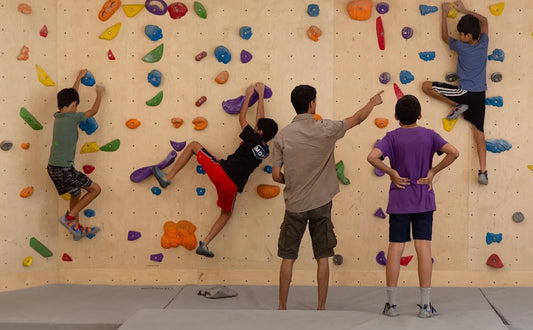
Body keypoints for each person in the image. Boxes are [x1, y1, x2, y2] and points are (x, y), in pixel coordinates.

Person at [271, 85, 383, 310]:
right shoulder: (327, 129)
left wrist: (292, 181)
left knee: (288, 256)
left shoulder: (282, 136)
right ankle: (321, 307)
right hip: (322, 203)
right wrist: (372, 102)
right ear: (312, 104)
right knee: (322, 256)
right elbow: (358, 118)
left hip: (294, 205)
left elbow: (276, 175)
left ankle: (282, 307)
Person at [152, 83, 278, 258]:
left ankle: (168, 177)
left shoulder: (252, 137)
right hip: (231, 187)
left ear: (260, 131)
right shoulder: (265, 151)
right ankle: (205, 243)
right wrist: (262, 94)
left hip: (221, 172)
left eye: (258, 128)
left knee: (194, 146)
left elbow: (242, 119)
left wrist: (250, 95)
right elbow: (260, 124)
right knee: (226, 214)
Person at [367, 95, 459, 318]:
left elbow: (372, 157)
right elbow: (454, 152)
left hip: (399, 200)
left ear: (396, 116)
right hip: (423, 199)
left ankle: (391, 306)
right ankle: (426, 306)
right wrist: (433, 171)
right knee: (423, 249)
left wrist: (391, 172)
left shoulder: (391, 137)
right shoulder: (429, 135)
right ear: (420, 115)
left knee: (395, 249)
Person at [422, 1, 488, 185]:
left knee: (426, 86)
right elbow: (485, 21)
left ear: (468, 36)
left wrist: (444, 14)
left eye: (461, 34)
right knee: (479, 133)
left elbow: (444, 36)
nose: (458, 36)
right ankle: (483, 171)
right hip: (480, 95)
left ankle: (456, 105)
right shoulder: (484, 42)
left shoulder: (461, 46)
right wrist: (464, 11)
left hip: (463, 92)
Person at [47, 69, 105, 240]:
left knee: (76, 193)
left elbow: (72, 97)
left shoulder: (58, 116)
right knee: (95, 189)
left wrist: (78, 79)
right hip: (64, 169)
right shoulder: (74, 117)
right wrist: (99, 93)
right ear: (74, 105)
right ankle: (69, 218)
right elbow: (93, 111)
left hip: (52, 168)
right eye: (76, 104)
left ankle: (76, 229)